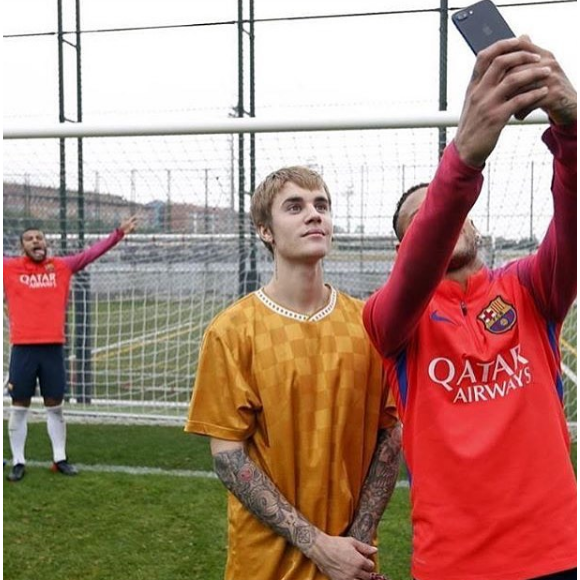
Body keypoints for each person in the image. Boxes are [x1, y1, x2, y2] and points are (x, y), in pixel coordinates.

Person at [363, 37, 577, 580]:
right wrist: (462, 159)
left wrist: (573, 133)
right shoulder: (389, 322)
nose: (443, 219)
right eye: (421, 217)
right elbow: (419, 266)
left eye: (456, 211)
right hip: (455, 566)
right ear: (404, 247)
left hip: (558, 553)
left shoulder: (530, 289)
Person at [185, 166, 401, 580]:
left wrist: (350, 547)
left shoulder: (368, 324)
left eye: (321, 205)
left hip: (352, 561)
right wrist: (319, 545)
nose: (314, 214)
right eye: (295, 206)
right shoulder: (232, 331)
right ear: (266, 230)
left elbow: (390, 435)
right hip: (265, 565)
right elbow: (228, 457)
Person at [3, 216, 138, 482]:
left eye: (39, 238)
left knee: (55, 406)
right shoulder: (10, 268)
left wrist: (118, 234)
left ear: (46, 243)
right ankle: (19, 461)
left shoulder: (62, 266)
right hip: (22, 350)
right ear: (23, 247)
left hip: (53, 350)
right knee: (19, 407)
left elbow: (91, 253)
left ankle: (59, 459)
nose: (35, 241)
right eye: (29, 239)